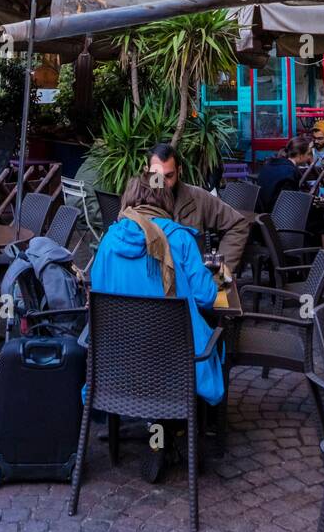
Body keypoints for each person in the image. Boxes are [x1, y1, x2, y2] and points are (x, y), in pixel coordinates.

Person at [90, 173, 225, 479]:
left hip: (119, 363)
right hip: (175, 364)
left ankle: (159, 435)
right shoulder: (180, 238)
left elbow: (97, 288)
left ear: (128, 199)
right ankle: (180, 431)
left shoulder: (110, 240)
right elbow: (206, 297)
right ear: (165, 200)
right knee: (210, 336)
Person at [147, 143, 250, 274]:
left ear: (179, 170)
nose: (163, 182)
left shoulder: (198, 197)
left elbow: (237, 224)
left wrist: (222, 269)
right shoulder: (136, 202)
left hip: (193, 282)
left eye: (169, 176)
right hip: (152, 284)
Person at [256, 137, 310, 214]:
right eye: (308, 154)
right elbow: (289, 204)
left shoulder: (270, 164)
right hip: (275, 218)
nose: (308, 157)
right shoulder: (290, 171)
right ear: (300, 155)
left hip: (260, 215)